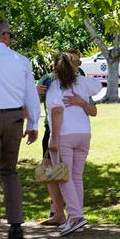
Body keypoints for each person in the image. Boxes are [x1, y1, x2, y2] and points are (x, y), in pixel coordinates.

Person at [0, 18, 40, 239]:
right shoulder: (21, 60)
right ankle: (16, 227)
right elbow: (31, 96)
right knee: (9, 172)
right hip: (14, 119)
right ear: (4, 34)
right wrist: (33, 124)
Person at [45, 52, 101, 236]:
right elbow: (97, 86)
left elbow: (57, 111)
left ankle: (76, 216)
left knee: (63, 177)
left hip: (64, 135)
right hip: (83, 134)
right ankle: (75, 215)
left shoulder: (55, 86)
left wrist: (53, 138)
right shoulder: (83, 82)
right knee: (76, 176)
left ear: (56, 68)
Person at [37, 48, 87, 226]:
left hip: (66, 133)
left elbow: (90, 105)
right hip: (52, 131)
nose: (76, 65)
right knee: (52, 173)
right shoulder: (50, 79)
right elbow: (36, 98)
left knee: (66, 175)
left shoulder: (80, 78)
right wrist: (37, 92)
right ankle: (58, 212)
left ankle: (73, 214)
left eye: (78, 62)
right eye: (73, 61)